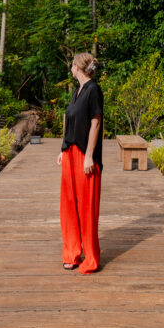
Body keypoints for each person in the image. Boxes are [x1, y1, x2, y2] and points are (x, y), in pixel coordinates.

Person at [57, 52, 103, 273]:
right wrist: (62, 148)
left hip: (85, 155)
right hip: (70, 153)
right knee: (69, 205)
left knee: (86, 207)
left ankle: (90, 256)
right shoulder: (77, 91)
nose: (70, 68)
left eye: (72, 64)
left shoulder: (93, 89)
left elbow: (95, 124)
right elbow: (70, 120)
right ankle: (72, 253)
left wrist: (89, 156)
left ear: (79, 67)